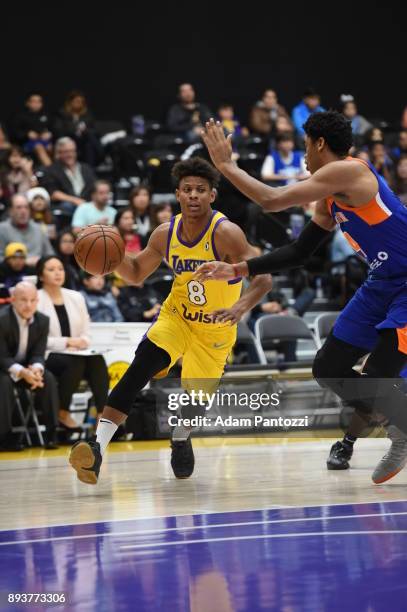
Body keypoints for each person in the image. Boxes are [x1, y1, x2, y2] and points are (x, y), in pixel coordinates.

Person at [198, 111, 407, 484]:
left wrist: (227, 166)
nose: (302, 154)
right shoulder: (329, 196)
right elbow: (299, 252)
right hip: (381, 282)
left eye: (304, 145)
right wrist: (239, 270)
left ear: (319, 144)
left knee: (378, 375)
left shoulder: (350, 171)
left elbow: (273, 199)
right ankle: (399, 424)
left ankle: (398, 430)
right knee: (327, 368)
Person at [68, 157, 272, 485]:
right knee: (139, 368)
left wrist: (241, 307)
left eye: (200, 190)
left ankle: (180, 434)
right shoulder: (165, 233)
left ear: (212, 196)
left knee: (195, 403)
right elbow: (134, 273)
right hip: (177, 317)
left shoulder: (227, 234)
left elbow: (264, 279)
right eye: (187, 189)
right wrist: (114, 259)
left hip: (216, 328)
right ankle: (97, 449)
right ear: (177, 194)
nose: (193, 195)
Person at [36, 256, 109, 429]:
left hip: (78, 353)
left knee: (97, 359)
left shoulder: (76, 297)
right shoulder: (35, 299)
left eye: (60, 269)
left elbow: (87, 331)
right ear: (40, 275)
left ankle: (102, 416)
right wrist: (68, 342)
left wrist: (83, 341)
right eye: (51, 269)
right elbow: (38, 340)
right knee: (75, 362)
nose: (57, 273)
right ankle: (62, 411)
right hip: (48, 355)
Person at [0, 282, 59, 450]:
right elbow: (2, 357)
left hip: (26, 367)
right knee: (3, 382)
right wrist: (22, 372)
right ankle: (4, 437)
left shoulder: (43, 320)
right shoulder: (2, 320)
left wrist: (36, 369)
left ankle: (51, 434)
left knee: (47, 377)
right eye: (23, 300)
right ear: (13, 300)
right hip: (3, 368)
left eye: (33, 300)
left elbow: (38, 353)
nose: (29, 305)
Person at [40, 137, 96, 215]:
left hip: (87, 204)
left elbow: (94, 187)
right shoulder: (51, 170)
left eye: (72, 151)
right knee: (67, 206)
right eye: (66, 152)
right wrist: (75, 200)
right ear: (58, 153)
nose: (70, 155)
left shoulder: (86, 168)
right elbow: (53, 194)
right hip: (67, 207)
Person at [0, 194, 54, 266]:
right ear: (11, 211)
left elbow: (50, 254)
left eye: (26, 207)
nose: (23, 211)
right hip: (12, 273)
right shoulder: (2, 229)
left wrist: (41, 262)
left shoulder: (39, 229)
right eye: (19, 208)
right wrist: (23, 262)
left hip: (38, 271)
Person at [54, 90, 101, 167]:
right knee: (90, 140)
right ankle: (100, 153)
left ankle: (89, 169)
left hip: (84, 140)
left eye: (81, 102)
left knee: (89, 143)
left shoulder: (87, 114)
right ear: (70, 102)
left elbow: (95, 130)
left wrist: (84, 130)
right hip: (69, 139)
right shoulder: (62, 113)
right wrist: (75, 129)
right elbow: (58, 129)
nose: (79, 104)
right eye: (76, 101)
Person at [12, 92, 53, 166]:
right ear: (27, 103)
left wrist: (49, 133)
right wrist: (27, 134)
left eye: (39, 101)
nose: (36, 104)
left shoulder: (47, 115)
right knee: (39, 147)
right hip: (27, 143)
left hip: (45, 142)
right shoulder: (20, 116)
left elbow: (53, 129)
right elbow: (15, 133)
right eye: (34, 101)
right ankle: (52, 171)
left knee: (54, 147)